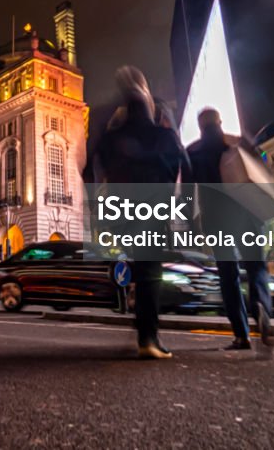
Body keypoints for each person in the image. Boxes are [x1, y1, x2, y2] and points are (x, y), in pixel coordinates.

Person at [85, 66, 190, 360]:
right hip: (152, 205)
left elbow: (91, 169)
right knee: (150, 269)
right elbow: (179, 165)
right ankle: (148, 337)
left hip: (122, 208)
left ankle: (145, 331)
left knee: (141, 264)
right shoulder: (162, 132)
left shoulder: (110, 134)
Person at [186, 108, 274, 352]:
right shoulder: (236, 142)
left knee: (228, 276)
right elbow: (262, 166)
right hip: (247, 214)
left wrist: (192, 225)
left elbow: (187, 192)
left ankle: (241, 334)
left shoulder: (193, 152)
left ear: (199, 126)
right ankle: (261, 308)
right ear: (220, 122)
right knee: (256, 267)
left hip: (217, 219)